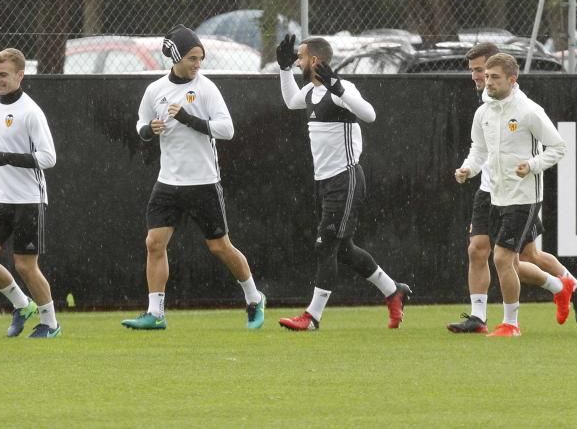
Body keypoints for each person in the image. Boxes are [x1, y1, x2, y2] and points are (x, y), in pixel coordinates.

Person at [122, 24, 265, 330]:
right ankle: (156, 314)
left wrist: (186, 118)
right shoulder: (155, 91)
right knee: (154, 243)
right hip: (168, 183)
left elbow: (227, 130)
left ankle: (254, 299)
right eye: (191, 58)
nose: (197, 64)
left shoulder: (206, 88)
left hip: (203, 182)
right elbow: (140, 124)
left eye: (200, 58)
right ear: (175, 56)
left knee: (220, 247)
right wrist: (149, 130)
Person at [448, 43, 577, 334]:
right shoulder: (486, 107)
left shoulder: (525, 109)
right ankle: (479, 317)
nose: (479, 78)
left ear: (507, 74)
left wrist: (532, 165)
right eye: (477, 73)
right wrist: (468, 169)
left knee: (519, 258)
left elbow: (557, 146)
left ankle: (566, 288)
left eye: (483, 71)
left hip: (519, 194)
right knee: (479, 251)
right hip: (490, 191)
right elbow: (479, 149)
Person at [275, 35, 411, 331]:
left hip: (345, 178)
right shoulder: (311, 91)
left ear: (314, 60)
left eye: (299, 57)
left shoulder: (341, 89)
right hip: (323, 182)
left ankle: (312, 317)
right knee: (344, 249)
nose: (297, 61)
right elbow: (289, 102)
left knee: (326, 246)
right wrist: (284, 69)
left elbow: (370, 115)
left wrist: (338, 87)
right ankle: (393, 290)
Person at [0, 48, 60, 338]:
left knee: (25, 265)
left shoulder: (31, 112)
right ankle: (22, 305)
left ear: (20, 76)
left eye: (4, 75)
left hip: (28, 200)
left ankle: (50, 323)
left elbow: (49, 158)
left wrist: (8, 158)